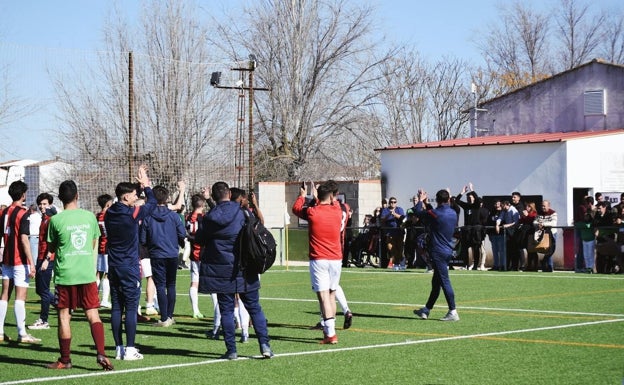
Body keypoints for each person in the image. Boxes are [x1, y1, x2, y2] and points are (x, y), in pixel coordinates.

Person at [197, 181, 273, 360]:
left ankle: (231, 350)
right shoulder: (243, 213)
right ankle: (265, 345)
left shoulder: (210, 218)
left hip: (221, 270)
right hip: (245, 267)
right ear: (229, 194)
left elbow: (200, 238)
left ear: (214, 197)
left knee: (226, 311)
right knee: (254, 308)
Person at [45, 180, 114, 370]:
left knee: (64, 316)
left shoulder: (55, 221)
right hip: (86, 274)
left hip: (65, 275)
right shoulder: (90, 217)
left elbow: (51, 248)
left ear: (60, 199)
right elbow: (92, 243)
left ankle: (65, 360)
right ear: (77, 196)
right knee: (93, 314)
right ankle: (101, 353)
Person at [104, 165, 156, 361]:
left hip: (114, 265)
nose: (136, 198)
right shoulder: (131, 214)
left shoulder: (110, 212)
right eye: (133, 195)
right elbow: (151, 204)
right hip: (129, 266)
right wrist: (147, 186)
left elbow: (133, 200)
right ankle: (130, 348)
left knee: (117, 307)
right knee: (132, 307)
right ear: (126, 197)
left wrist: (138, 186)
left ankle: (118, 348)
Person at [292, 182, 344, 343]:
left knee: (323, 297)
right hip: (336, 258)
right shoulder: (337, 210)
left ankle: (330, 334)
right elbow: (332, 200)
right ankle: (330, 330)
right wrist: (317, 195)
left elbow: (296, 209)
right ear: (331, 196)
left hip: (319, 259)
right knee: (332, 294)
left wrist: (303, 195)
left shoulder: (312, 212)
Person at [0, 180, 41, 343]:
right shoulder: (23, 213)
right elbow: (24, 239)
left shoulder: (3, 212)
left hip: (6, 260)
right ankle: (22, 333)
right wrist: (31, 263)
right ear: (23, 195)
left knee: (4, 296)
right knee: (20, 297)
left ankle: (0, 332)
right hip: (19, 260)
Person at [141, 185, 187, 327]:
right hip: (172, 253)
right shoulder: (174, 216)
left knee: (160, 285)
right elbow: (182, 234)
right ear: (167, 198)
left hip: (156, 254)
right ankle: (170, 316)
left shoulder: (148, 218)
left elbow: (142, 239)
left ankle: (164, 317)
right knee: (171, 284)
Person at [413, 189, 460, 321]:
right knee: (436, 282)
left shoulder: (436, 213)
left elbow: (418, 213)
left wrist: (421, 200)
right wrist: (427, 205)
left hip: (438, 251)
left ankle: (453, 311)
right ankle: (426, 309)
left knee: (444, 281)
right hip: (448, 249)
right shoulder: (453, 213)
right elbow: (433, 214)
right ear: (448, 199)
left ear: (438, 200)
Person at [29, 193, 57, 330]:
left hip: (47, 259)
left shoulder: (51, 219)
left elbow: (53, 242)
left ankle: (44, 320)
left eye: (45, 204)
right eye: (40, 204)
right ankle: (62, 306)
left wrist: (47, 259)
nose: (42, 206)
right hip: (41, 258)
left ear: (50, 204)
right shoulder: (44, 219)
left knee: (44, 290)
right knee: (40, 290)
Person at [186, 193, 207, 319]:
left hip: (194, 253)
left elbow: (187, 233)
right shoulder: (204, 218)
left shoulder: (188, 217)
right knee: (212, 283)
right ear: (203, 204)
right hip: (204, 253)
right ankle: (218, 313)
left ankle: (195, 310)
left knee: (194, 282)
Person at [96, 194, 113, 308]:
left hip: (99, 247)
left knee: (98, 273)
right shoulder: (109, 216)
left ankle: (94, 298)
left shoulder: (97, 216)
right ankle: (104, 300)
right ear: (107, 204)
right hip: (108, 246)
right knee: (107, 274)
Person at [380, 196, 406, 269]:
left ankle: (401, 263)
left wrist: (394, 214)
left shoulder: (399, 209)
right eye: (391, 202)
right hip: (389, 233)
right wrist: (389, 214)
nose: (393, 203)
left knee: (400, 249)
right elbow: (382, 219)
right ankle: (396, 263)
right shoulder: (385, 210)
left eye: (394, 202)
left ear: (396, 203)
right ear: (389, 203)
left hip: (399, 232)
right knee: (391, 248)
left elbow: (402, 218)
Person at [535, 200, 558, 272]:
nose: (543, 207)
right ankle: (548, 267)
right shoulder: (539, 213)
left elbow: (553, 223)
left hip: (552, 233)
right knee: (547, 250)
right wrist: (538, 224)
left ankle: (548, 265)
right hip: (542, 234)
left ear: (548, 206)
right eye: (542, 206)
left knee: (551, 250)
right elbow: (535, 221)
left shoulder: (553, 213)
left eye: (544, 206)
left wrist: (543, 224)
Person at [486, 200, 505, 271]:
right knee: (495, 251)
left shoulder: (503, 212)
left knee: (502, 251)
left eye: (498, 204)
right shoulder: (492, 213)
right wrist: (489, 233)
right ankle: (496, 265)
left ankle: (502, 265)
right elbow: (488, 222)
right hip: (493, 235)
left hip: (501, 234)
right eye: (496, 204)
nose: (497, 205)